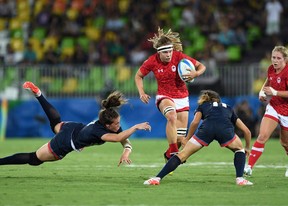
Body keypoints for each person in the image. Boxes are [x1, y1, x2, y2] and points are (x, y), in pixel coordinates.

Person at [0, 81, 151, 167]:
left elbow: (125, 141)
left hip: (73, 127)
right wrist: (135, 126)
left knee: (56, 124)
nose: (119, 126)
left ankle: (39, 95)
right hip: (67, 141)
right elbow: (119, 138)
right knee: (34, 159)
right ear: (107, 126)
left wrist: (126, 152)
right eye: (116, 124)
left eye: (119, 123)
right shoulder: (100, 132)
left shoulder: (108, 121)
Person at [143, 90, 253, 186]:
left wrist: (187, 138)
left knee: (182, 155)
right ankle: (240, 179)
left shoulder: (203, 106)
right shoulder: (228, 108)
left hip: (207, 129)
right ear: (217, 99)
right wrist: (247, 148)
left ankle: (157, 178)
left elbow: (195, 122)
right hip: (225, 129)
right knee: (239, 150)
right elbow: (247, 131)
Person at [135, 27, 206, 162]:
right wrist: (142, 92)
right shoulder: (152, 61)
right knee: (171, 116)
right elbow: (138, 76)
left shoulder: (179, 56)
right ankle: (173, 150)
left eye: (170, 51)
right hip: (164, 96)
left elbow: (202, 66)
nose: (169, 54)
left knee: (180, 139)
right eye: (166, 52)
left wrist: (195, 73)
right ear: (159, 53)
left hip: (182, 97)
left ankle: (169, 154)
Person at [244, 46, 288, 177]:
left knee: (285, 143)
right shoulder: (271, 69)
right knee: (262, 135)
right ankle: (249, 167)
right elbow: (268, 80)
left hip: (287, 110)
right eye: (273, 57)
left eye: (278, 58)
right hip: (274, 106)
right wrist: (262, 91)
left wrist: (275, 92)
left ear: (285, 59)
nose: (275, 60)